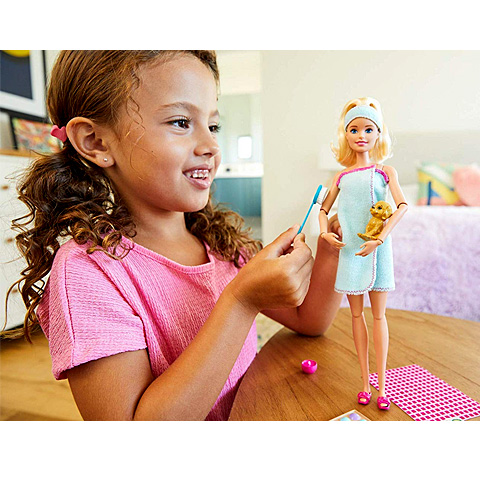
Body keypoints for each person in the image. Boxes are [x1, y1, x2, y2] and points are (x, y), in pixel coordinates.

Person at [3, 50, 342, 421]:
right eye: (181, 122)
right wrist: (241, 302)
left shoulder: (219, 243)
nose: (211, 146)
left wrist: (333, 249)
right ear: (96, 141)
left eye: (213, 126)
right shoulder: (88, 273)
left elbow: (310, 320)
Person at [318, 97, 408, 411]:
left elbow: (402, 206)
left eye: (368, 129)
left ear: (378, 133)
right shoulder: (341, 177)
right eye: (354, 129)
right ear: (346, 134)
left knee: (379, 315)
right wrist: (325, 232)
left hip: (378, 252)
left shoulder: (385, 172)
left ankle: (382, 387)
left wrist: (380, 238)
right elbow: (323, 209)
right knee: (356, 316)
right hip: (351, 253)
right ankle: (364, 384)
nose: (361, 135)